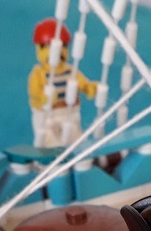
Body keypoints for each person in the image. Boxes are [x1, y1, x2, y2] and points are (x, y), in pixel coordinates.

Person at [28, 18, 98, 148]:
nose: (58, 52)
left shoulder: (70, 71)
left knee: (76, 139)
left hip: (69, 113)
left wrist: (89, 88)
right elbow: (34, 92)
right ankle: (53, 157)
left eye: (64, 46)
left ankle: (80, 157)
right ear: (40, 48)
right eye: (47, 47)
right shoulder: (39, 73)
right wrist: (43, 98)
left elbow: (82, 83)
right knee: (50, 141)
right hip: (47, 115)